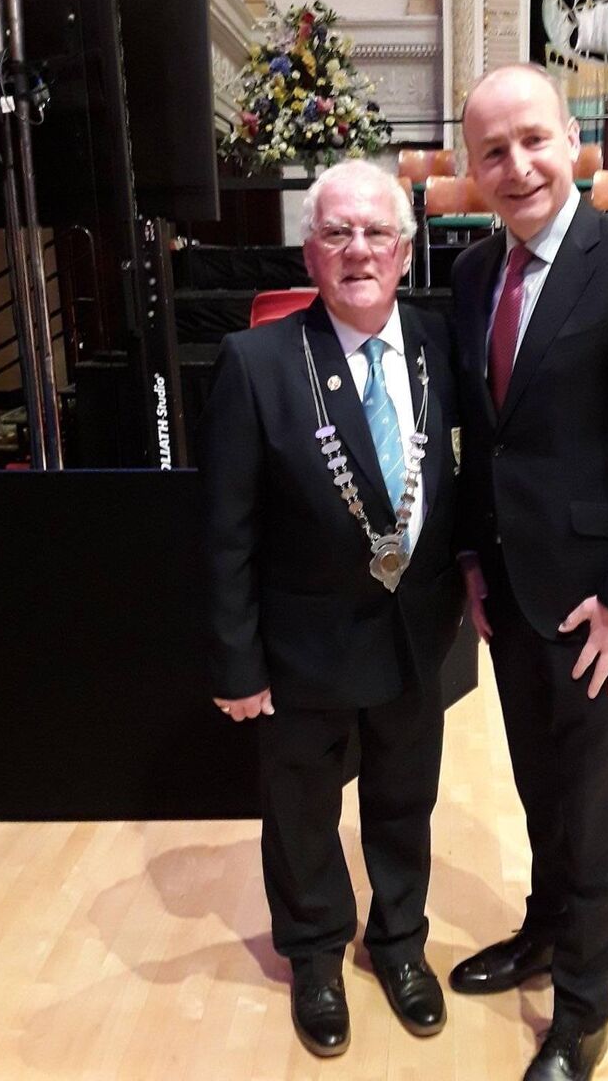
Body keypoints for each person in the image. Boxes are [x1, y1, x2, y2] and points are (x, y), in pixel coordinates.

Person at [449, 65, 608, 1081]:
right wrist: (473, 558)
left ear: (573, 143)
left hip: (607, 607)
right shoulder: (474, 274)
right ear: (471, 170)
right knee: (541, 788)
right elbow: (486, 441)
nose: (517, 166)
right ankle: (546, 930)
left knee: (599, 813)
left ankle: (584, 1011)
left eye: (533, 141)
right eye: (493, 152)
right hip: (513, 595)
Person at [198, 160, 463, 1058]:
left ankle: (399, 942)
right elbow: (225, 532)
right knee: (302, 807)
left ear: (405, 249)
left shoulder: (439, 344)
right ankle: (314, 952)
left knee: (405, 797)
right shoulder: (256, 363)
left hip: (414, 631)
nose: (359, 250)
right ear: (310, 252)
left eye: (377, 232)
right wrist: (237, 661)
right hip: (301, 641)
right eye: (337, 233)